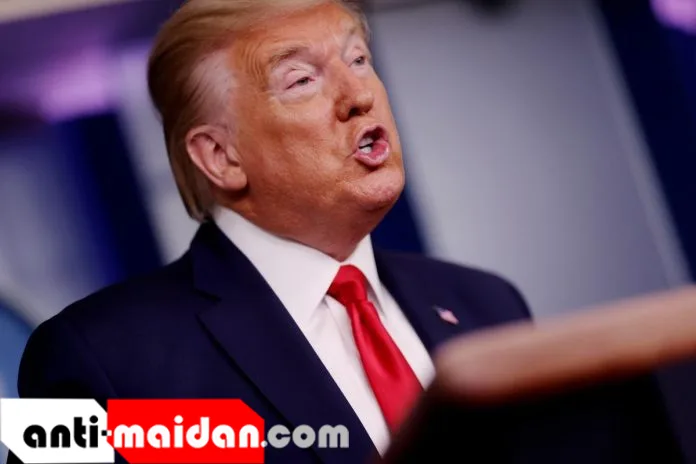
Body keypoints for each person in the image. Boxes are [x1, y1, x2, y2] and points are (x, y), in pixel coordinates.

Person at [9, 1, 683, 463]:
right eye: (302, 79)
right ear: (221, 156)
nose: (359, 94)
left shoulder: (487, 304)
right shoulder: (93, 356)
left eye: (358, 59)